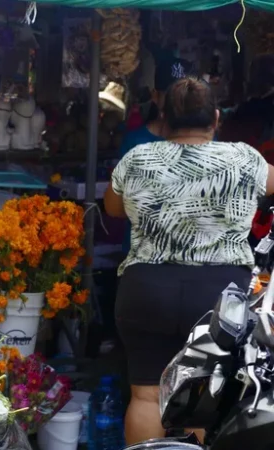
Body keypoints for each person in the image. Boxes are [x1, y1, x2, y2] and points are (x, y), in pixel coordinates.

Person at [105, 77, 274, 445]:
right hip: (217, 296)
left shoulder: (138, 158)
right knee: (203, 395)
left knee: (146, 396)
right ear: (216, 117)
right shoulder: (244, 158)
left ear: (164, 119)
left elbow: (113, 208)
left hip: (147, 290)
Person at [116, 57, 189, 256]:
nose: (178, 103)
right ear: (155, 96)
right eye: (171, 95)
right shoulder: (136, 142)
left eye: (184, 95)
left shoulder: (207, 141)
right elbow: (118, 204)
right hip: (143, 256)